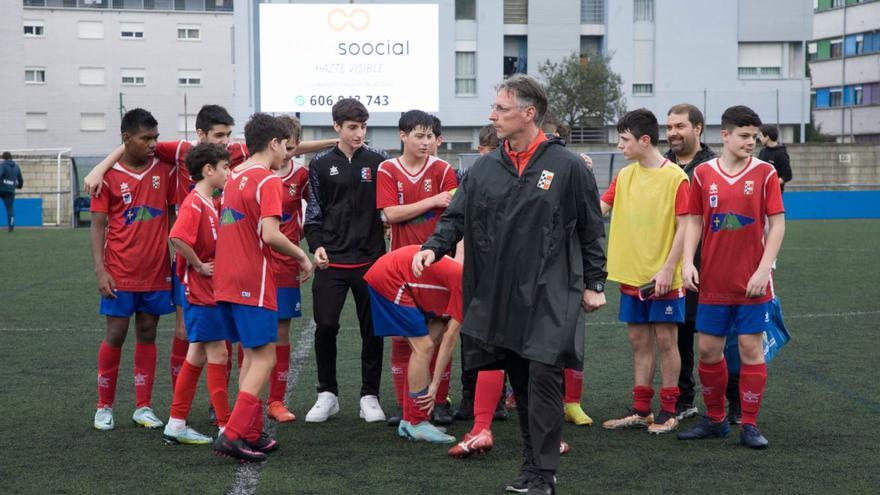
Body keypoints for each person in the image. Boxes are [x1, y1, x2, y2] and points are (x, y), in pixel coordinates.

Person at [413, 74, 607, 495]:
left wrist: (595, 282)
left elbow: (592, 229)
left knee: (542, 375)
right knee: (519, 378)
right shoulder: (484, 167)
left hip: (551, 290)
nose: (492, 115)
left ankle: (542, 473)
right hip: (499, 290)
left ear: (529, 113)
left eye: (501, 109)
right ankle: (532, 466)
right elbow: (455, 218)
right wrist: (434, 247)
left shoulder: (568, 166)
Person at [83, 105, 334, 400]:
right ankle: (181, 410)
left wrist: (333, 142)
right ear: (200, 135)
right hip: (192, 262)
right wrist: (100, 168)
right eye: (218, 135)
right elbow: (134, 143)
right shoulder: (180, 152)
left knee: (222, 339)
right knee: (190, 336)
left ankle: (210, 410)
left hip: (225, 261)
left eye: (228, 135)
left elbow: (283, 144)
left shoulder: (241, 152)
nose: (225, 143)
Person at [678, 105, 785, 450]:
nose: (750, 142)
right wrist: (686, 262)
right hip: (712, 280)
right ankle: (715, 419)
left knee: (750, 349)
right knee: (708, 350)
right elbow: (693, 219)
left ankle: (749, 424)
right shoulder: (703, 174)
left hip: (752, 282)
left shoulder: (766, 173)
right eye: (744, 136)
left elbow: (778, 224)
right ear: (724, 135)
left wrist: (763, 268)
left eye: (754, 136)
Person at [211, 113, 314, 462]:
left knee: (252, 356)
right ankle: (234, 433)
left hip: (226, 279)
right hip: (251, 280)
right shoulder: (268, 181)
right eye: (286, 147)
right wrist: (302, 255)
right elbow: (270, 234)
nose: (288, 154)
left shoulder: (234, 176)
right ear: (273, 144)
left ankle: (250, 433)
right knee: (266, 356)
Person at [600, 109, 689, 436]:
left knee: (667, 340)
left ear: (645, 140)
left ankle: (669, 410)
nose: (620, 145)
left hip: (663, 278)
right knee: (639, 341)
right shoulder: (625, 175)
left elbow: (686, 227)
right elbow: (600, 208)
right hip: (631, 275)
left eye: (624, 139)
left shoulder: (676, 178)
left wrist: (669, 268)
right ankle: (641, 410)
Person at [303, 98, 388, 423]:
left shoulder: (379, 160)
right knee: (325, 326)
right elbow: (314, 213)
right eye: (353, 127)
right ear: (337, 126)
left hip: (371, 261)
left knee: (372, 330)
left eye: (363, 127)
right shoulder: (320, 163)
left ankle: (370, 395)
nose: (359, 133)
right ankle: (327, 393)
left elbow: (387, 211)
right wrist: (317, 245)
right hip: (332, 261)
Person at [90, 108, 176, 431]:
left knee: (148, 332)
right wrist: (100, 271)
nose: (153, 143)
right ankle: (104, 406)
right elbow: (97, 227)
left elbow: (171, 215)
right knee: (115, 333)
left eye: (155, 137)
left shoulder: (165, 169)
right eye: (146, 138)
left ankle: (143, 406)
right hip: (119, 272)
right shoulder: (107, 175)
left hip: (156, 271)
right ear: (127, 139)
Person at [376, 110, 457, 427]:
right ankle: (403, 404)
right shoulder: (387, 169)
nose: (425, 142)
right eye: (419, 135)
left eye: (429, 136)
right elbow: (390, 214)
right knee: (402, 339)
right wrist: (432, 201)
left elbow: (452, 211)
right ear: (403, 135)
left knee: (438, 334)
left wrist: (437, 201)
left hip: (439, 265)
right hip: (401, 267)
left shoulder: (443, 169)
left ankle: (437, 402)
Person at [664, 104, 729, 422]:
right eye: (670, 127)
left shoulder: (715, 166)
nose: (673, 133)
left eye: (680, 126)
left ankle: (736, 404)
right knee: (679, 333)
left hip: (712, 265)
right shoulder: (661, 163)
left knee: (720, 336)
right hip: (673, 266)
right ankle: (684, 399)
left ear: (698, 128)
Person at [163, 143, 231, 445]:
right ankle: (226, 427)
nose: (228, 172)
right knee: (219, 353)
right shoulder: (194, 203)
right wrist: (200, 265)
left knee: (198, 353)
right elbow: (176, 236)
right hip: (201, 292)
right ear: (209, 170)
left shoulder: (209, 202)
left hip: (207, 291)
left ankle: (176, 423)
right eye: (225, 167)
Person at [364, 245, 462, 443]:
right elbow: (450, 339)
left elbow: (441, 323)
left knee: (424, 347)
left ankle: (409, 420)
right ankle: (417, 422)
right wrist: (434, 385)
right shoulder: (469, 285)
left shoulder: (465, 280)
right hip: (389, 277)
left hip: (393, 273)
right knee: (423, 347)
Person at [266, 115, 310, 423]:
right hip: (253, 263)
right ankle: (249, 397)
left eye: (294, 147)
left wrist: (299, 236)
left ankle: (276, 400)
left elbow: (316, 211)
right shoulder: (251, 171)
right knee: (250, 332)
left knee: (282, 331)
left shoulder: (302, 174)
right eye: (285, 146)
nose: (289, 152)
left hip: (285, 264)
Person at [758, 124, 793, 193]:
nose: (759, 138)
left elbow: (788, 175)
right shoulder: (762, 152)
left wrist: (771, 184)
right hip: (762, 192)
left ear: (767, 137)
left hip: (775, 193)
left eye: (761, 136)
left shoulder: (781, 153)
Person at [0, 152, 24, 232]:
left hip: (1, 188)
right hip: (10, 190)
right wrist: (18, 186)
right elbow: (20, 179)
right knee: (10, 209)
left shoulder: (2, 165)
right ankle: (11, 227)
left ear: (3, 158)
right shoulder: (16, 167)